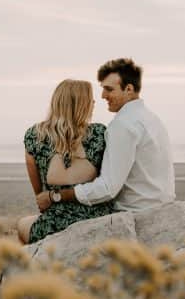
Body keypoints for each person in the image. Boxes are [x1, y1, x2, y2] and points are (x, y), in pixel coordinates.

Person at [36, 58, 175, 215]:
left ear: (128, 89)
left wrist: (56, 196)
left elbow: (108, 188)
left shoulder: (123, 125)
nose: (103, 96)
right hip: (162, 207)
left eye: (109, 89)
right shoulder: (151, 118)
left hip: (135, 212)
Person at [17, 79, 116, 244]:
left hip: (55, 223)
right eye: (89, 98)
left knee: (22, 225)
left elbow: (39, 193)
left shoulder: (34, 135)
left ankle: (33, 263)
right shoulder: (99, 133)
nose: (93, 102)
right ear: (79, 104)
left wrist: (51, 199)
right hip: (98, 219)